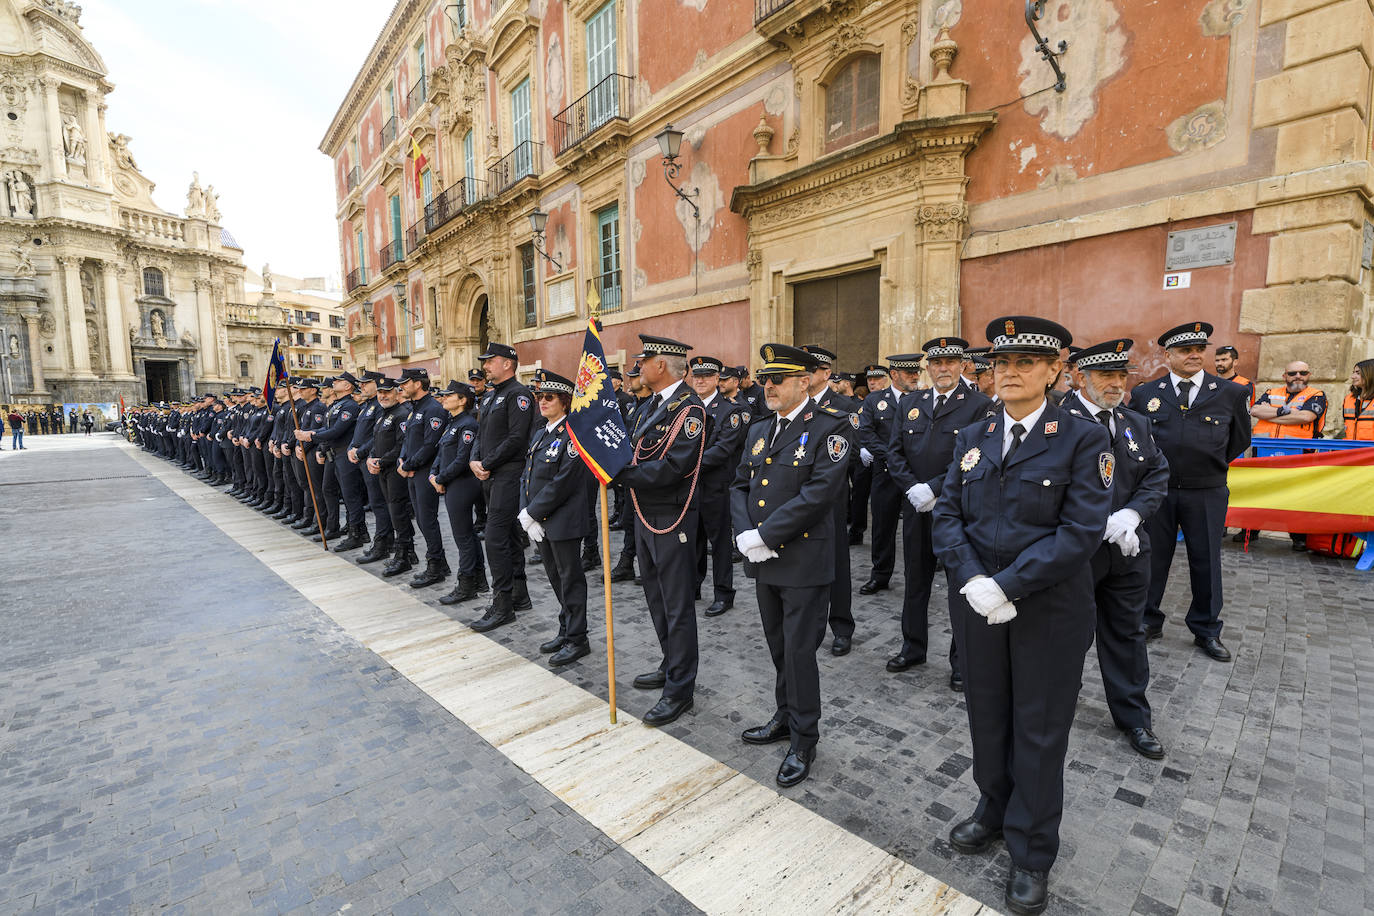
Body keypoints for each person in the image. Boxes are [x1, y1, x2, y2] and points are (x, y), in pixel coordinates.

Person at [932, 315, 1111, 916]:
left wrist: (1008, 584)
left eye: (1025, 362)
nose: (1009, 372)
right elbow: (949, 516)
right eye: (1001, 363)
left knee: (1037, 728)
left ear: (1056, 370)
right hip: (978, 602)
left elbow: (1081, 530)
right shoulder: (972, 434)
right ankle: (993, 805)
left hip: (1048, 608)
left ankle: (1032, 850)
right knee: (987, 713)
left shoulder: (1083, 438)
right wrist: (973, 580)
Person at [731, 344, 853, 787]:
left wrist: (765, 535)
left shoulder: (831, 429)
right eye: (766, 379)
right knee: (778, 646)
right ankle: (784, 716)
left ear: (805, 382)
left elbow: (819, 493)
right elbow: (740, 484)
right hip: (763, 560)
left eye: (778, 379)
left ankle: (804, 739)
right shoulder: (760, 429)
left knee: (800, 653)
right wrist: (746, 534)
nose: (769, 386)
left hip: (801, 559)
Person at [1064, 338, 1170, 760]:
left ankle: (1134, 719)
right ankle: (1054, 709)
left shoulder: (1134, 422)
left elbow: (1156, 473)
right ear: (1079, 376)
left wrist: (1131, 516)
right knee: (1067, 635)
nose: (1115, 384)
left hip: (1127, 550)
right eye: (1105, 375)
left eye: (1120, 375)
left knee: (1126, 634)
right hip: (1075, 554)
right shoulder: (1056, 421)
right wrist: (1094, 523)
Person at [1128, 321, 1251, 662]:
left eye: (1200, 349)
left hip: (1206, 491)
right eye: (1185, 350)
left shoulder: (1230, 393)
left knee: (1206, 561)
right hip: (1158, 492)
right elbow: (1136, 441)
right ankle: (1147, 620)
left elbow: (1240, 439)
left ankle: (1207, 629)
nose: (1195, 355)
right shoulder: (1145, 394)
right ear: (1168, 355)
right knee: (1151, 558)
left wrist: (1207, 464)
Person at [886, 337, 992, 689]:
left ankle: (962, 659)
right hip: (915, 507)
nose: (942, 369)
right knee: (915, 580)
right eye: (936, 363)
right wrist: (912, 489)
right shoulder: (911, 403)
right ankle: (912, 646)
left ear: (963, 365)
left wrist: (934, 488)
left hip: (957, 511)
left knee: (959, 585)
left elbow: (974, 456)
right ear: (927, 367)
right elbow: (895, 452)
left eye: (950, 362)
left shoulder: (979, 405)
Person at [613, 335, 708, 727]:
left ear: (662, 366)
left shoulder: (690, 411)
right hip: (644, 513)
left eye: (645, 360)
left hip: (671, 517)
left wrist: (622, 475)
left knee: (677, 604)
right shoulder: (649, 405)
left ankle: (680, 688)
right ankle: (671, 663)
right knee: (654, 595)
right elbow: (633, 449)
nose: (639, 367)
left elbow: (674, 468)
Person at [518, 369, 594, 666]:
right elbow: (529, 476)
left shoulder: (574, 435)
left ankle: (578, 638)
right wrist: (527, 512)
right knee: (554, 577)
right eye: (539, 397)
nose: (542, 402)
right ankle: (566, 629)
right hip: (541, 521)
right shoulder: (541, 433)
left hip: (564, 520)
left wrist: (534, 512)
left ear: (564, 400)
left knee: (570, 579)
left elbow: (564, 481)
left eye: (548, 397)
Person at [469, 344, 536, 630]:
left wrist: (487, 462)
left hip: (508, 475)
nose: (485, 366)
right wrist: (475, 458)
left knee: (495, 539)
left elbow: (517, 439)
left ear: (508, 363)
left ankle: (503, 603)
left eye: (490, 361)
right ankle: (519, 595)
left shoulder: (518, 395)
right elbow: (480, 434)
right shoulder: (489, 397)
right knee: (507, 536)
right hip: (490, 474)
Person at [800, 344, 860, 654]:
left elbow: (848, 456)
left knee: (836, 562)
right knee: (803, 562)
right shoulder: (792, 403)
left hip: (831, 496)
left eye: (810, 370)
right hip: (795, 497)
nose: (805, 375)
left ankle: (841, 626)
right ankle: (809, 625)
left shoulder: (844, 406)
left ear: (825, 373)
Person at [688, 355, 749, 617]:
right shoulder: (686, 408)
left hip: (717, 487)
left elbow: (723, 449)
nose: (700, 380)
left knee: (720, 543)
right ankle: (694, 586)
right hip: (690, 487)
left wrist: (682, 466)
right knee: (694, 540)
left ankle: (724, 594)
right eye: (696, 376)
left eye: (706, 376)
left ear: (717, 379)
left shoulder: (730, 411)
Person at [857, 356, 920, 594]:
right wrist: (894, 456)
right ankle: (880, 575)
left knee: (916, 530)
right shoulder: (874, 400)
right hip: (885, 473)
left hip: (914, 474)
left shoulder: (923, 400)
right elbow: (867, 433)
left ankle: (916, 576)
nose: (915, 377)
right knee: (882, 527)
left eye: (917, 372)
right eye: (909, 373)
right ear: (895, 375)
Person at [432, 380, 488, 604]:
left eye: (449, 395)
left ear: (463, 400)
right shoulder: (453, 422)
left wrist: (440, 478)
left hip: (463, 485)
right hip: (452, 483)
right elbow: (441, 451)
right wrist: (434, 474)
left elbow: (462, 460)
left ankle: (466, 585)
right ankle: (479, 579)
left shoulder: (467, 424)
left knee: (463, 537)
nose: (444, 398)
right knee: (468, 535)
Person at [398, 367, 451, 588]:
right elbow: (408, 439)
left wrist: (409, 464)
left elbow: (430, 445)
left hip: (424, 472)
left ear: (418, 383)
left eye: (406, 382)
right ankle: (441, 562)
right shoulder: (414, 408)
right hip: (412, 471)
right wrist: (402, 460)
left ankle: (436, 566)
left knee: (427, 520)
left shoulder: (433, 409)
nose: (402, 386)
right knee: (420, 519)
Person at [368, 377, 417, 575]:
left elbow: (400, 446)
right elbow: (376, 441)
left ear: (397, 392)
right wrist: (372, 457)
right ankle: (407, 551)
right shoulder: (383, 415)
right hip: (383, 470)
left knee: (399, 513)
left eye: (387, 392)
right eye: (380, 392)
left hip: (395, 470)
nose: (383, 396)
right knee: (393, 511)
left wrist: (381, 461)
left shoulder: (402, 414)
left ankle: (403, 555)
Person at [1251, 361, 1326, 439]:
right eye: (1292, 373)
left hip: (1298, 446)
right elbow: (1254, 411)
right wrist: (1285, 411)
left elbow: (1305, 417)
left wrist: (1267, 416)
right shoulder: (1271, 393)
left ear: (1309, 375)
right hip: (1263, 445)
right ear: (1284, 376)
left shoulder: (1316, 395)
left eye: (1303, 373)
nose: (1298, 376)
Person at [1341, 358, 1374, 440]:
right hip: (1351, 450)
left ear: (1370, 374)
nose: (1352, 377)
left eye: (1357, 373)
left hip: (1369, 451)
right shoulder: (1348, 399)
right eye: (1353, 373)